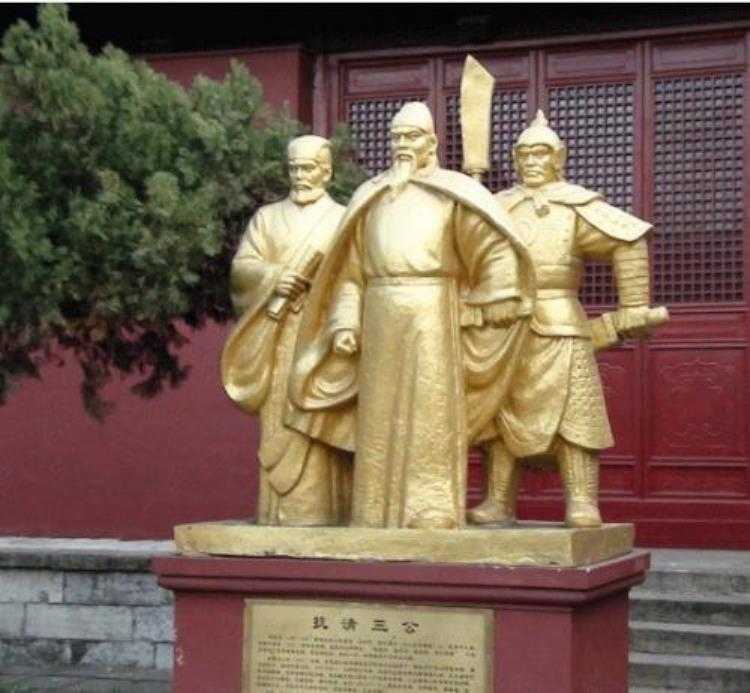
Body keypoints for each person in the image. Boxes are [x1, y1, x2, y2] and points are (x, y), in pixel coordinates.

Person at [288, 102, 534, 530]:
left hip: (433, 311)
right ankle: (372, 511)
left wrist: (496, 296)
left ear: (432, 142)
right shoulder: (371, 196)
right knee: (378, 415)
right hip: (379, 314)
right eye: (396, 136)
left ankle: (430, 508)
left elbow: (493, 249)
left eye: (412, 136)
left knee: (430, 411)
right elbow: (348, 274)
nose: (402, 144)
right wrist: (345, 323)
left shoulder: (453, 194)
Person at [468, 111, 653, 528]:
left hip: (561, 322)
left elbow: (629, 240)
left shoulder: (576, 205)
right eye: (524, 154)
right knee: (498, 416)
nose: (532, 161)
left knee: (576, 415)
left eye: (541, 153)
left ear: (559, 157)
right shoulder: (497, 206)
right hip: (503, 327)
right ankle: (498, 501)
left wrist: (633, 305)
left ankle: (582, 501)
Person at [221, 135, 350, 526]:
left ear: (326, 171)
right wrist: (276, 277)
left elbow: (353, 276)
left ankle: (321, 511)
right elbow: (243, 268)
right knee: (279, 419)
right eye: (294, 168)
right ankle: (279, 513)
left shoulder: (343, 218)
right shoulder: (267, 218)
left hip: (321, 338)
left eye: (308, 168)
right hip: (279, 335)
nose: (300, 176)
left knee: (317, 420)